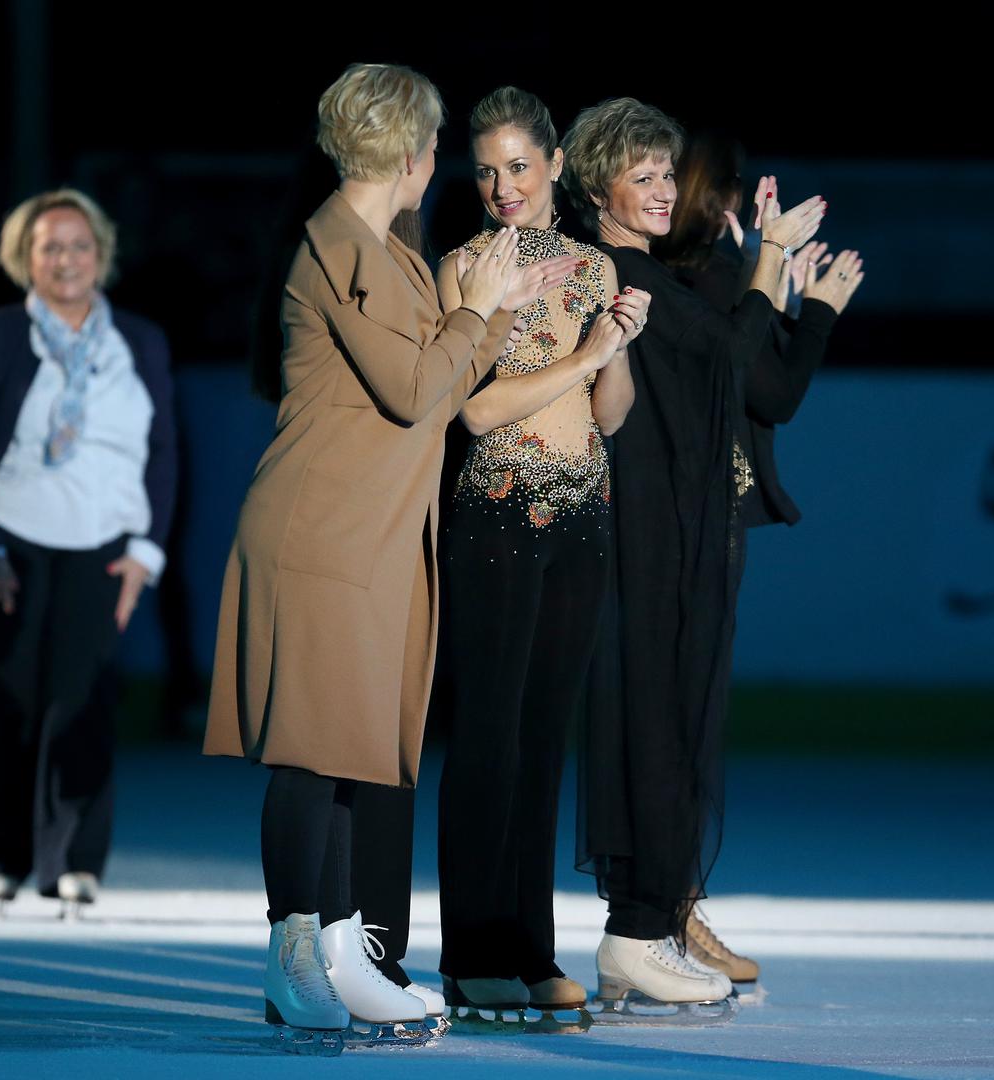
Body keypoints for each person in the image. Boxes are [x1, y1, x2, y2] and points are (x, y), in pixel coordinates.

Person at [202, 63, 577, 1042]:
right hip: (321, 528)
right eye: (435, 144)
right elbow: (414, 389)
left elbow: (443, 384)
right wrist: (477, 312)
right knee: (309, 753)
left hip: (370, 534)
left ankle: (339, 954)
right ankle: (294, 961)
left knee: (350, 757)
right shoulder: (336, 247)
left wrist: (500, 306)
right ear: (409, 151)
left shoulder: (394, 253)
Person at [560, 97, 824, 1012]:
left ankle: (643, 928)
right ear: (599, 185)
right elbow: (728, 354)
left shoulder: (637, 267)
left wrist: (769, 266)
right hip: (639, 524)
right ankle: (637, 928)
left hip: (666, 518)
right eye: (646, 175)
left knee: (667, 716)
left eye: (670, 172)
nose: (667, 190)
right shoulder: (616, 269)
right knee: (651, 716)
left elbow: (731, 359)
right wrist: (775, 259)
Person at [433, 86, 644, 1018]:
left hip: (583, 515)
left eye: (519, 165)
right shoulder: (466, 269)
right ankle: (472, 948)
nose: (502, 184)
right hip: (500, 515)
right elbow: (476, 409)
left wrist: (617, 348)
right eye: (486, 168)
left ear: (557, 165)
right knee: (486, 738)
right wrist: (585, 353)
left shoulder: (595, 267)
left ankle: (529, 947)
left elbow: (612, 413)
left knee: (542, 743)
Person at [0, 188, 177, 916]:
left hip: (104, 545)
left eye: (79, 244)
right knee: (2, 700)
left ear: (102, 254)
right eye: (49, 246)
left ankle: (73, 861)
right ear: (23, 258)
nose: (66, 259)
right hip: (6, 541)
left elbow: (161, 453)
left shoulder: (140, 341)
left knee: (84, 703)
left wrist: (148, 551)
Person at [654, 133, 866, 990]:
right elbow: (772, 392)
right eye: (740, 197)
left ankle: (667, 909)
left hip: (701, 517)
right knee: (681, 722)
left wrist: (774, 279)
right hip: (694, 522)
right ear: (722, 200)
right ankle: (664, 914)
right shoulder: (707, 276)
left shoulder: (710, 273)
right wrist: (812, 308)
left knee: (683, 721)